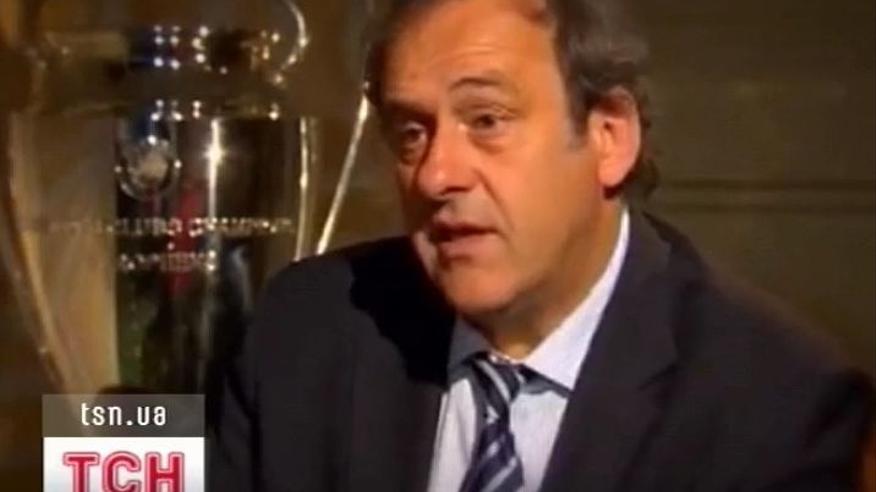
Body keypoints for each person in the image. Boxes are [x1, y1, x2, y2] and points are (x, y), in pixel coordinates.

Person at [207, 0, 875, 490]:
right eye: (412, 133)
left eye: (486, 120)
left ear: (610, 137)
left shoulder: (779, 404)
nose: (436, 175)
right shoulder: (306, 326)